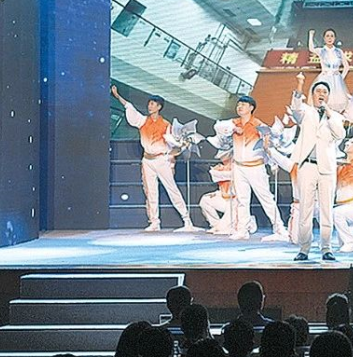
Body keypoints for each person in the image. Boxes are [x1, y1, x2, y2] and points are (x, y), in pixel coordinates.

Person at [111, 86, 198, 232]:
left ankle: (186, 220)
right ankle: (154, 222)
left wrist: (180, 149)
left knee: (172, 189)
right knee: (151, 191)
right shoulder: (143, 121)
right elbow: (129, 107)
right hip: (147, 160)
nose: (149, 106)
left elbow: (174, 143)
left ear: (159, 107)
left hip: (161, 160)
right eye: (149, 103)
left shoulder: (166, 125)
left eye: (152, 104)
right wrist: (117, 95)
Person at [288, 76, 347, 261]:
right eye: (318, 91)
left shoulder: (335, 116)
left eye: (324, 92)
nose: (321, 94)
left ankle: (326, 248)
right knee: (305, 208)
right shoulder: (306, 111)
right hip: (307, 165)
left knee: (326, 209)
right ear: (312, 94)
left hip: (327, 168)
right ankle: (304, 248)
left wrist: (328, 113)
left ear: (328, 96)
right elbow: (296, 108)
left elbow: (340, 134)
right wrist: (299, 84)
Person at [213, 96, 286, 241]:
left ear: (251, 108)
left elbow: (269, 145)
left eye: (243, 105)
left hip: (256, 167)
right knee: (242, 200)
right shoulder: (234, 123)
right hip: (239, 167)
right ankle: (242, 230)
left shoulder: (259, 125)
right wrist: (234, 128)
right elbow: (218, 126)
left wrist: (273, 163)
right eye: (238, 105)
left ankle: (280, 229)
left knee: (266, 199)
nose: (239, 107)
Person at [200, 155, 257, 236]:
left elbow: (232, 175)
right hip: (224, 198)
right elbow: (215, 176)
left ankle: (248, 220)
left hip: (236, 201)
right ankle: (216, 224)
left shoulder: (239, 168)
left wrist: (223, 173)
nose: (222, 158)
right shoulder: (219, 168)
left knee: (234, 203)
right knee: (205, 200)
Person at [308, 28, 351, 111]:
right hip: (325, 77)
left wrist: (341, 77)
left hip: (336, 80)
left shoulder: (339, 51)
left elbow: (346, 66)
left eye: (332, 36)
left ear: (334, 38)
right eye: (327, 36)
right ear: (324, 38)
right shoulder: (321, 50)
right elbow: (311, 49)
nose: (330, 38)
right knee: (323, 99)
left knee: (337, 102)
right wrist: (311, 35)